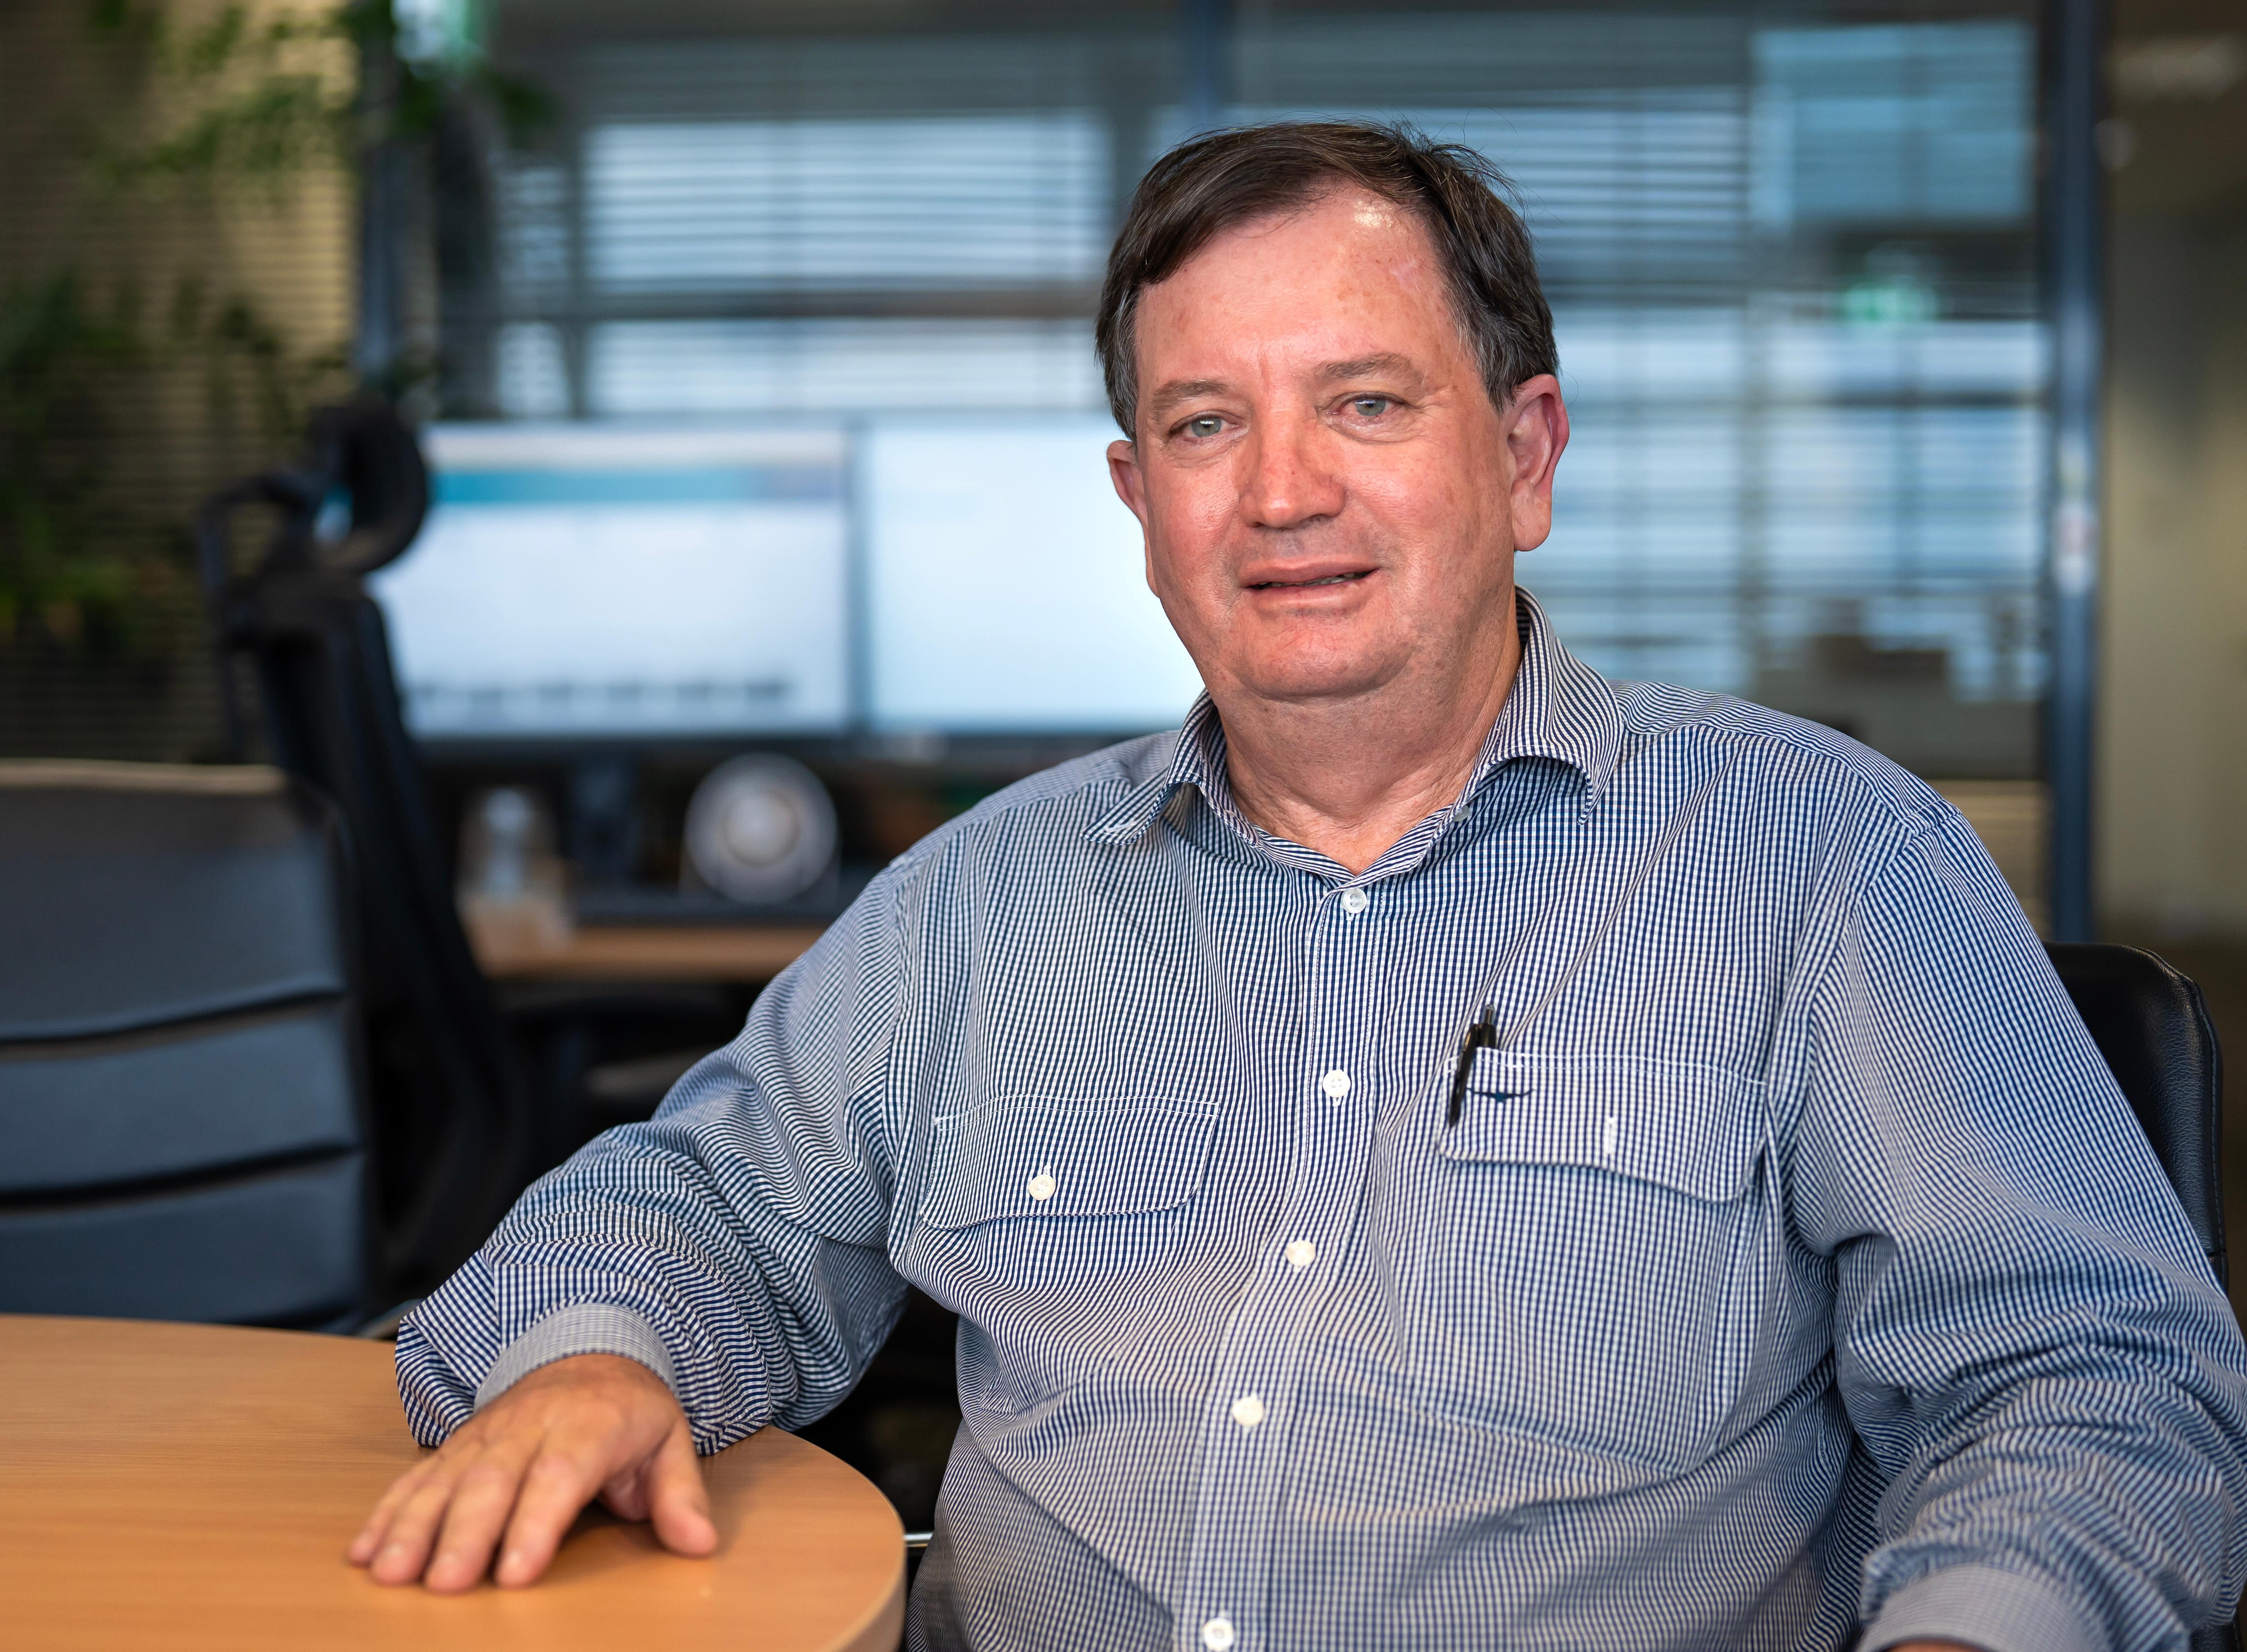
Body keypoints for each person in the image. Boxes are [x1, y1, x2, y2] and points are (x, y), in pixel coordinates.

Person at [348, 122, 2247, 1652]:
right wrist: (595, 1355)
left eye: (1366, 404)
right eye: (1204, 426)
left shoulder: (1820, 860)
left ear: (1526, 456)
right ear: (1135, 503)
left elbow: (2092, 1381)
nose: (1279, 495)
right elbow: (696, 1205)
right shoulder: (983, 903)